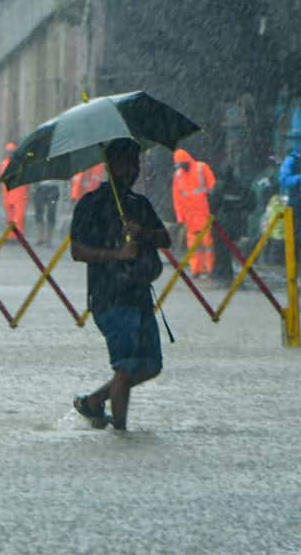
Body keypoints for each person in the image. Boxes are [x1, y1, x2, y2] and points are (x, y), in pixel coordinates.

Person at [70, 139, 171, 431]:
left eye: (136, 164)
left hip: (140, 295)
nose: (133, 170)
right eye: (126, 164)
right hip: (110, 297)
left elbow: (166, 238)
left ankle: (94, 401)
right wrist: (116, 254)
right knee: (126, 367)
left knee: (150, 365)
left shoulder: (139, 205)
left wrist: (144, 233)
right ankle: (121, 432)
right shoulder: (90, 205)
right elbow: (77, 251)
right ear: (110, 166)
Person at [171, 148, 215, 277]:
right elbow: (177, 198)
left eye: (182, 164)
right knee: (194, 245)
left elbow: (212, 186)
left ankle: (210, 269)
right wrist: (180, 217)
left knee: (207, 243)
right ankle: (197, 269)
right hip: (191, 216)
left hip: (204, 213)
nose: (181, 168)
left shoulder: (201, 168)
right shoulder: (178, 175)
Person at [208, 160, 255, 280]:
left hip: (222, 223)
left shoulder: (219, 186)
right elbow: (251, 203)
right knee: (232, 250)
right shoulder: (242, 187)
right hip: (237, 223)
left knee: (221, 250)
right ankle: (230, 274)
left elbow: (212, 204)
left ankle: (221, 274)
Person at [0, 142, 28, 239]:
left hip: (19, 195)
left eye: (11, 152)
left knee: (18, 218)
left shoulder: (21, 164)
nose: (9, 154)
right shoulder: (3, 164)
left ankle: (18, 236)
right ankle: (11, 236)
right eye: (8, 152)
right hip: (7, 195)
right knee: (10, 217)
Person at [31, 181, 59, 246]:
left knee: (51, 213)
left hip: (53, 187)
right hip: (40, 187)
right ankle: (41, 237)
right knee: (39, 212)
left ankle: (49, 238)